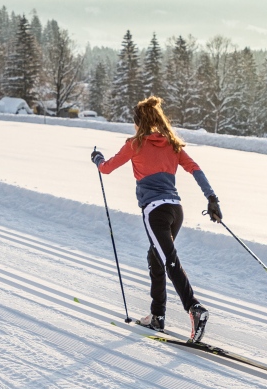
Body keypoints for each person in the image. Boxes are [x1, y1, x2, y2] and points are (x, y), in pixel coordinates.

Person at [92, 95, 222, 342]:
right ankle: (157, 317)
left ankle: (194, 308)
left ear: (138, 122)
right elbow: (196, 170)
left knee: (168, 260)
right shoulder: (173, 145)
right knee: (156, 257)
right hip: (176, 211)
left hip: (155, 212)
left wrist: (97, 159)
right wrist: (212, 198)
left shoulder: (136, 144)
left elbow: (106, 168)